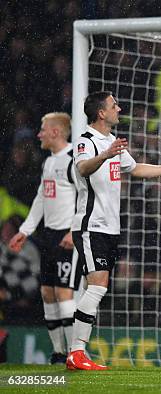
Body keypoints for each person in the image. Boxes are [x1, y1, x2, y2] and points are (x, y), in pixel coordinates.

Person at [66, 91, 161, 370]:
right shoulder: (86, 140)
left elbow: (137, 168)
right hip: (91, 225)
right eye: (114, 105)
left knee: (97, 287)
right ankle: (75, 352)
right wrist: (105, 155)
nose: (119, 108)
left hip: (110, 227)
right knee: (98, 287)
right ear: (101, 113)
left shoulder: (112, 143)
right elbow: (82, 169)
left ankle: (75, 352)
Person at [8, 112, 79, 364]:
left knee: (64, 294)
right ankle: (59, 352)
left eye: (42, 129)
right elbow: (41, 198)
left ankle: (75, 353)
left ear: (56, 132)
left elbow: (85, 199)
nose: (39, 134)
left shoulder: (74, 160)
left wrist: (74, 230)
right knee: (47, 293)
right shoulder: (49, 163)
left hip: (67, 236)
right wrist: (25, 231)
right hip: (48, 236)